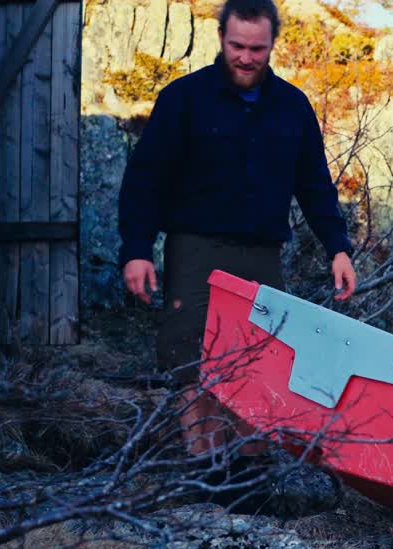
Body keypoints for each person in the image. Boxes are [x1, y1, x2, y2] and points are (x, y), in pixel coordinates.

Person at [117, 0, 356, 458]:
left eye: (257, 48)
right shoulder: (183, 99)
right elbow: (145, 179)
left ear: (272, 45)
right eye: (237, 46)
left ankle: (249, 474)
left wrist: (338, 249)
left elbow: (315, 185)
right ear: (222, 38)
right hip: (195, 249)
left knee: (260, 362)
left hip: (262, 254)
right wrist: (137, 249)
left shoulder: (292, 106)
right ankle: (205, 466)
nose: (246, 57)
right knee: (193, 359)